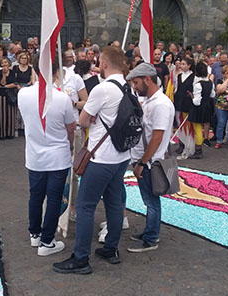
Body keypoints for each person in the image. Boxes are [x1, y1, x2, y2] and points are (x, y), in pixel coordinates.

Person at [54, 47, 132, 275]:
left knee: (86, 206)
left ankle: (81, 258)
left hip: (101, 157)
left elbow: (84, 121)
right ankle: (110, 248)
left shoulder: (103, 89)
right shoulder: (129, 88)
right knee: (114, 203)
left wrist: (90, 116)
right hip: (121, 156)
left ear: (105, 64)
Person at [18, 56, 76, 257]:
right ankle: (47, 240)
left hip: (35, 154)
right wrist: (70, 145)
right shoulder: (62, 98)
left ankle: (35, 233)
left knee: (36, 195)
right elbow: (71, 127)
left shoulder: (23, 94)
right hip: (57, 155)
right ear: (56, 72)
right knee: (53, 198)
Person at [126, 63, 175, 253]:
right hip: (146, 159)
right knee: (149, 199)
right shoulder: (151, 101)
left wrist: (142, 162)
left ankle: (151, 237)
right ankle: (150, 230)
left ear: (148, 79)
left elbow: (157, 137)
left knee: (151, 201)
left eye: (136, 83)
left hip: (150, 162)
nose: (135, 87)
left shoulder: (160, 104)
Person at [188, 61, 214, 159]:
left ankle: (198, 150)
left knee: (198, 129)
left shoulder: (198, 85)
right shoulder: (210, 82)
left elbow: (196, 102)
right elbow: (212, 95)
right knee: (204, 126)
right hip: (207, 107)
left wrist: (192, 96)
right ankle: (199, 149)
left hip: (198, 109)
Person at [0, 58, 18, 139]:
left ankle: (10, 133)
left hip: (11, 94)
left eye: (5, 62)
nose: (4, 64)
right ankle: (2, 134)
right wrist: (4, 75)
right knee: (2, 114)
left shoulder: (13, 72)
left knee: (11, 114)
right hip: (2, 95)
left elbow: (15, 83)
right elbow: (1, 83)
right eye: (2, 63)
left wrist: (5, 86)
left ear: (9, 63)